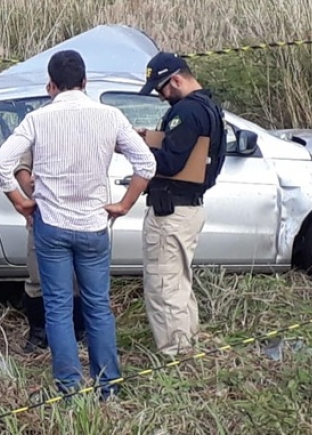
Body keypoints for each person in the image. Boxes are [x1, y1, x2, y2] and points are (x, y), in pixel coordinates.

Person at [0, 49, 156, 400]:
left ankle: (68, 388)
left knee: (58, 307)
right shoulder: (110, 116)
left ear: (50, 85)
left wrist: (20, 202)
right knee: (98, 305)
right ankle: (107, 386)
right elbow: (147, 163)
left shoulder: (38, 119)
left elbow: (0, 165)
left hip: (51, 224)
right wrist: (125, 205)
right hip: (94, 224)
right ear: (85, 82)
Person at [137, 52, 227, 356]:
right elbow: (188, 153)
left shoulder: (186, 112)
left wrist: (135, 151)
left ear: (176, 79)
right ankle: (189, 343)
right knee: (179, 281)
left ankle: (175, 354)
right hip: (189, 207)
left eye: (162, 88)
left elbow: (172, 162)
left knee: (163, 286)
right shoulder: (209, 107)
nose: (162, 97)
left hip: (171, 211)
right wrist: (150, 137)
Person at [14, 149, 86, 353]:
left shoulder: (88, 124)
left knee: (79, 279)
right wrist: (37, 198)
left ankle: (80, 331)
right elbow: (21, 167)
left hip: (82, 215)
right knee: (37, 277)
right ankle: (38, 333)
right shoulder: (39, 124)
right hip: (45, 216)